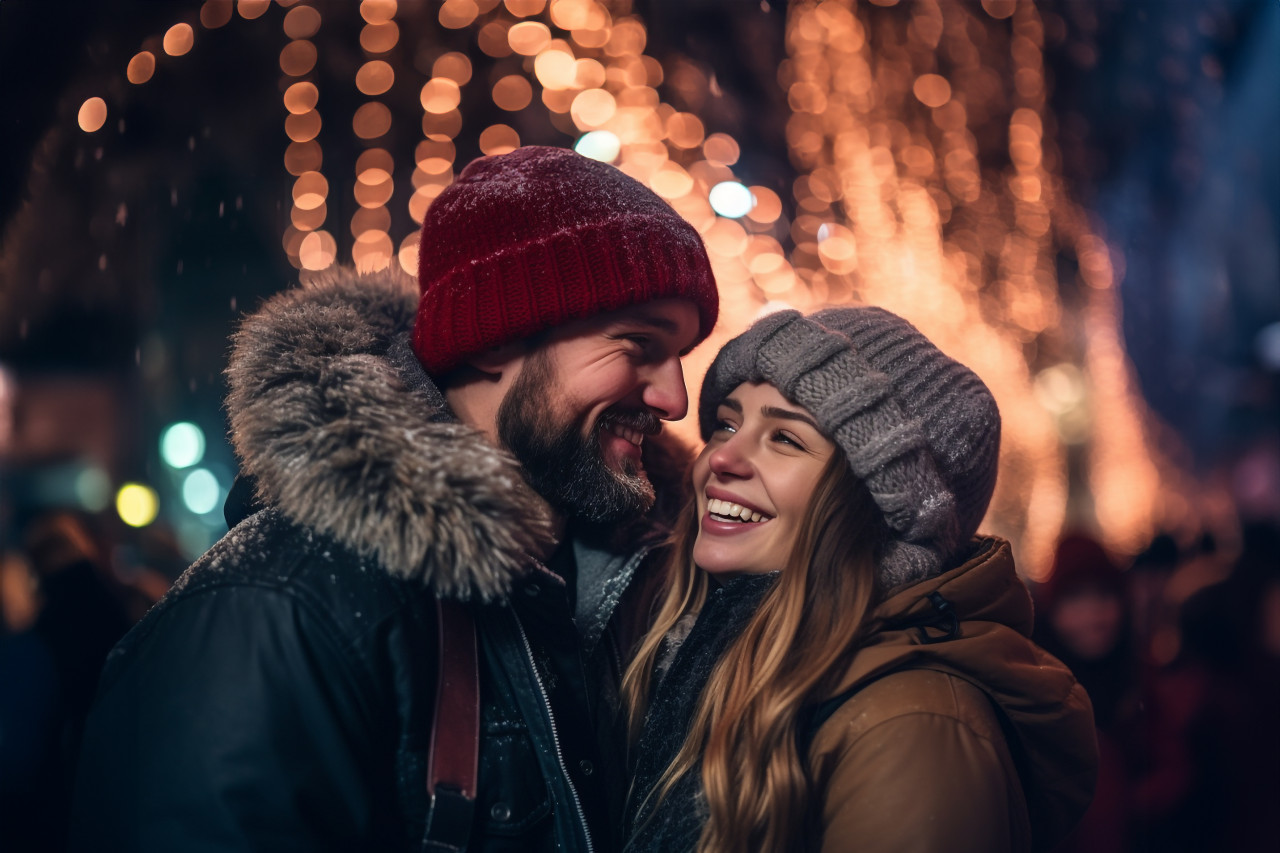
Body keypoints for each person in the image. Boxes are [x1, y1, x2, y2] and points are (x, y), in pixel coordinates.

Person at [69, 146, 718, 852]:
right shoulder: (279, 608)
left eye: (679, 355)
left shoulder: (636, 589)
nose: (674, 398)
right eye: (639, 344)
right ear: (497, 339)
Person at [621, 307, 1098, 853]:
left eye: (785, 439)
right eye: (729, 423)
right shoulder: (698, 656)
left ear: (876, 506)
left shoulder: (913, 727)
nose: (721, 456)